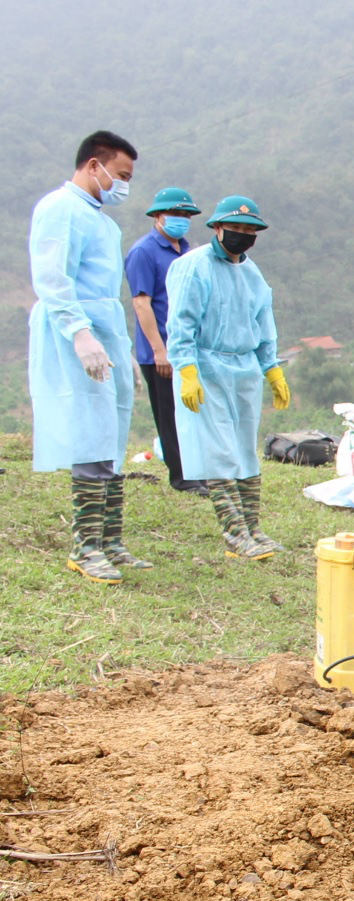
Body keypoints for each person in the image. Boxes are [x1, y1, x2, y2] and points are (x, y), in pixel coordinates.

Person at [28, 130, 144, 584]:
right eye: (120, 175)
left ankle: (111, 539)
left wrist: (121, 347)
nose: (124, 185)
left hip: (106, 330)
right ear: (93, 165)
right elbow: (54, 279)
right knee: (91, 436)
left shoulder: (102, 220)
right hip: (75, 330)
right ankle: (85, 545)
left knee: (111, 435)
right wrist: (80, 334)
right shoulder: (60, 210)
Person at [166, 195, 290, 560]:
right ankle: (235, 534)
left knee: (243, 450)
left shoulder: (251, 273)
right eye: (234, 228)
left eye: (249, 230)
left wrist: (272, 368)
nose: (241, 235)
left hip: (244, 369)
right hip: (205, 367)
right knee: (218, 451)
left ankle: (253, 527)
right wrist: (186, 369)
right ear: (217, 228)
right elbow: (181, 323)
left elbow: (263, 322)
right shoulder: (194, 266)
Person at [125, 186, 204, 494]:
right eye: (175, 214)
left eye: (186, 215)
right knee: (170, 415)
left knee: (192, 411)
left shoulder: (187, 250)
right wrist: (160, 351)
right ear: (158, 215)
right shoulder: (144, 252)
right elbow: (141, 303)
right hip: (160, 351)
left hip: (187, 348)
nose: (181, 220)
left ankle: (199, 471)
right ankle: (182, 477)